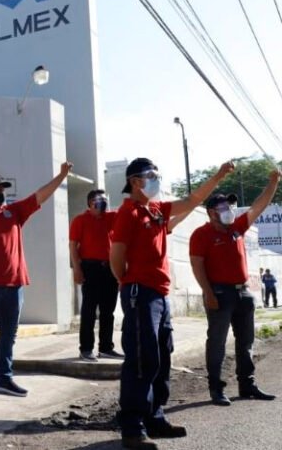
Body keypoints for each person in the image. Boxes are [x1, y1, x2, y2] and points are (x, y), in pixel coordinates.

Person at [111, 157, 233, 450]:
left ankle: (155, 417)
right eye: (151, 175)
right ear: (135, 181)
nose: (157, 180)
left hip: (160, 294)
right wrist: (129, 283)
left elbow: (191, 200)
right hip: (141, 292)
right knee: (143, 358)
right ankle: (132, 427)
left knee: (162, 357)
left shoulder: (155, 210)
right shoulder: (128, 213)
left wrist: (216, 177)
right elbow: (116, 257)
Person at [0, 162, 73, 403]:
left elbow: (41, 195)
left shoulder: (15, 212)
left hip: (14, 285)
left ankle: (3, 378)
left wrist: (61, 176)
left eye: (3, 189)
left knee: (8, 334)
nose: (1, 194)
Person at [190, 171, 281, 408]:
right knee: (217, 342)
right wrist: (208, 293)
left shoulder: (237, 228)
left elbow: (260, 205)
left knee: (246, 342)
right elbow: (197, 265)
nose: (229, 210)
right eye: (223, 207)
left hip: (243, 294)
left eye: (230, 206)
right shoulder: (201, 234)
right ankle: (216, 389)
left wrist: (273, 182)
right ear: (211, 212)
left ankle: (247, 385)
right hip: (219, 294)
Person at [69, 189, 123, 362]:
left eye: (105, 200)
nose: (103, 204)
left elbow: (128, 213)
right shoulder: (80, 220)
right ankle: (86, 349)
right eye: (99, 201)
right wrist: (77, 269)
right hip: (90, 268)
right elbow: (73, 246)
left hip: (110, 268)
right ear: (90, 203)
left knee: (109, 310)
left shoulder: (112, 217)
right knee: (89, 311)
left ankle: (106, 348)